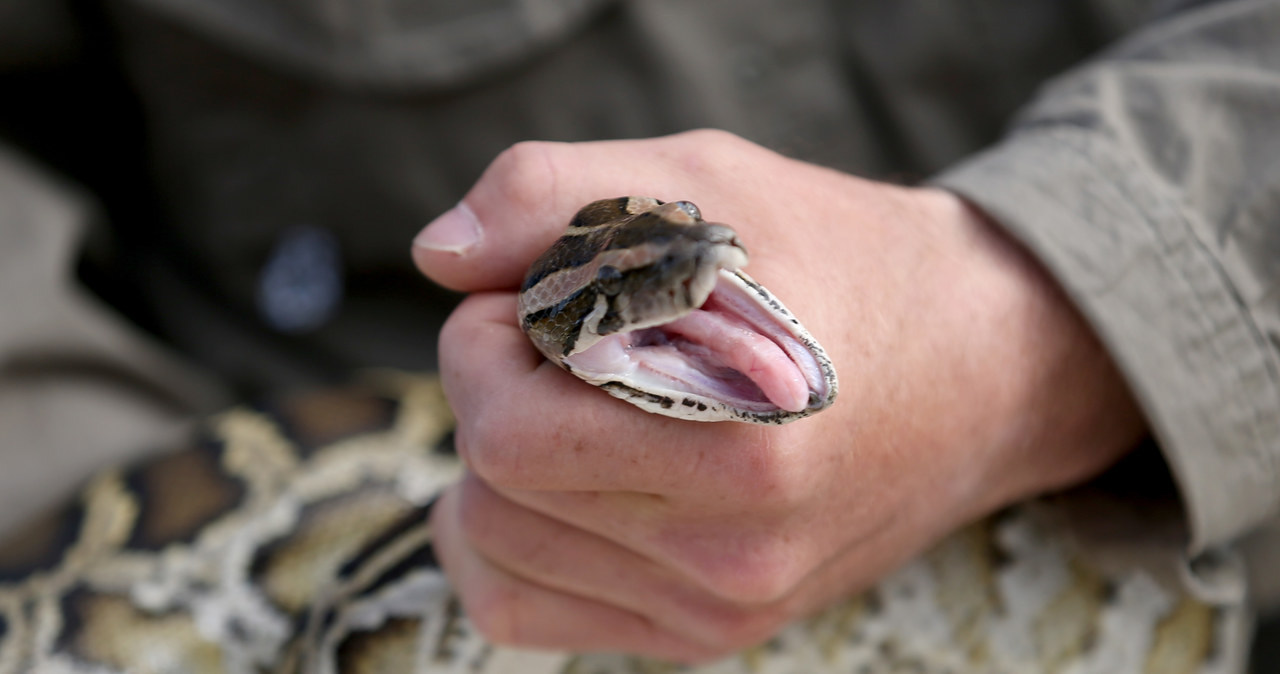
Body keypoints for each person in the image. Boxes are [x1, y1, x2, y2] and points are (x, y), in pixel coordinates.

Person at [1, 0, 1276, 666]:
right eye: (629, 294)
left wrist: (1049, 324)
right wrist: (56, 516)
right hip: (316, 447)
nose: (704, 261)